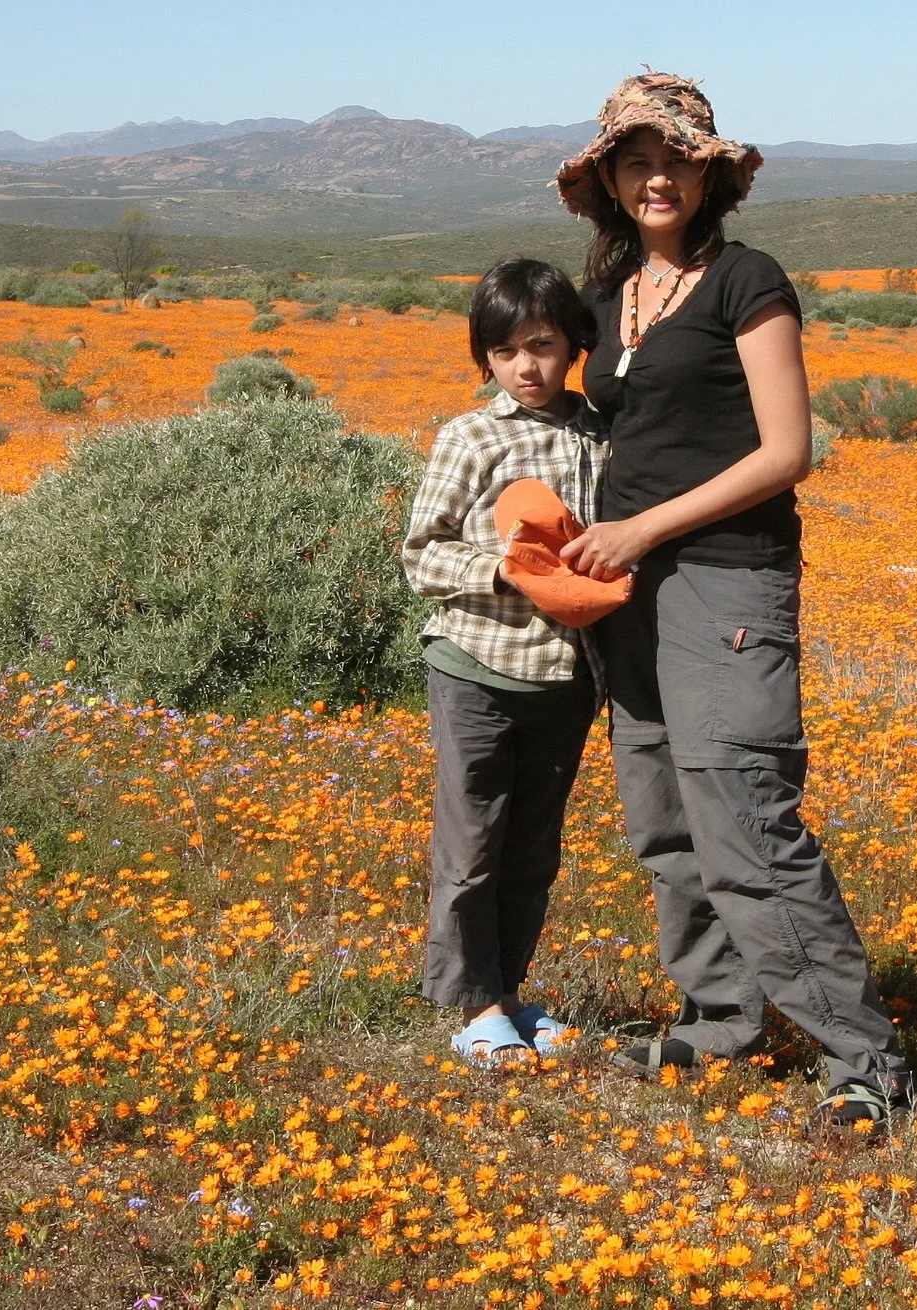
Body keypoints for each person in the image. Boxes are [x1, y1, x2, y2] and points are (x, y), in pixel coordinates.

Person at [553, 72, 912, 1124]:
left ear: (710, 174)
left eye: (675, 159)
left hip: (725, 582)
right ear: (610, 180)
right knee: (666, 823)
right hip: (629, 593)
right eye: (634, 160)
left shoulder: (745, 280)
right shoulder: (609, 294)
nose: (655, 175)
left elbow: (786, 451)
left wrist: (642, 528)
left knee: (748, 821)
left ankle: (866, 1064)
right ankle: (719, 1026)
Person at [401, 258, 610, 1065]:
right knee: (473, 841)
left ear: (573, 346)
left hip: (566, 676)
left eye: (544, 345)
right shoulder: (470, 436)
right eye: (507, 351)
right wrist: (503, 569)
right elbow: (422, 554)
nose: (528, 367)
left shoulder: (597, 430)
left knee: (533, 849)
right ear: (484, 357)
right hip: (477, 667)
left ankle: (510, 995)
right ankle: (474, 1003)